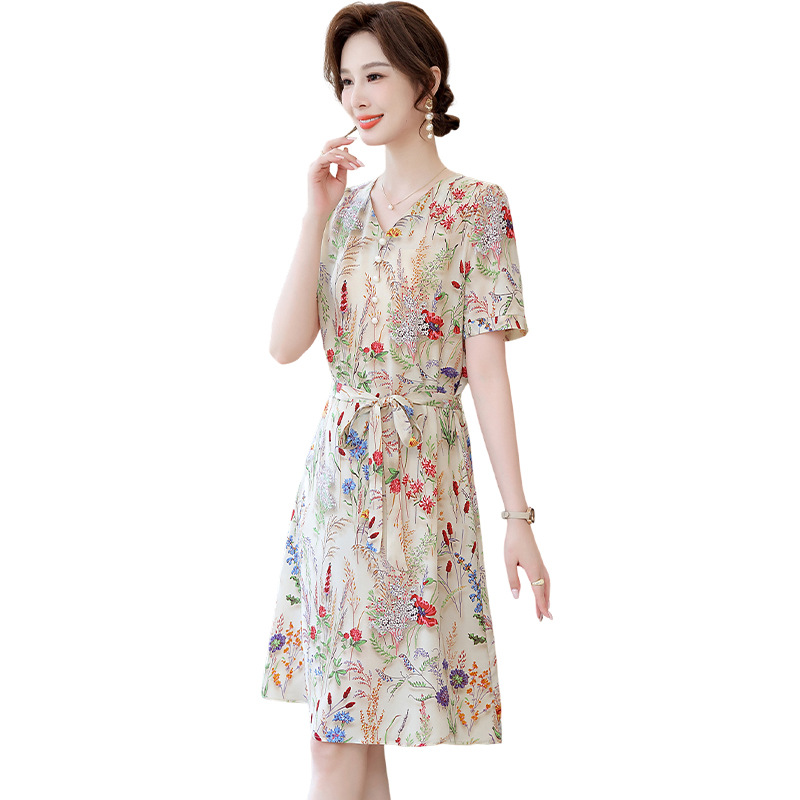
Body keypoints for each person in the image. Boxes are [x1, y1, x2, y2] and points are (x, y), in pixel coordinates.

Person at [262, 2, 552, 798]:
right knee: (341, 733)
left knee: (356, 730)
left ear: (427, 81)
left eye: (375, 76)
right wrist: (314, 216)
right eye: (345, 81)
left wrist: (518, 517)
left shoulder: (477, 207)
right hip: (339, 484)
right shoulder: (343, 209)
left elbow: (488, 372)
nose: (356, 96)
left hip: (423, 482)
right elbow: (285, 344)